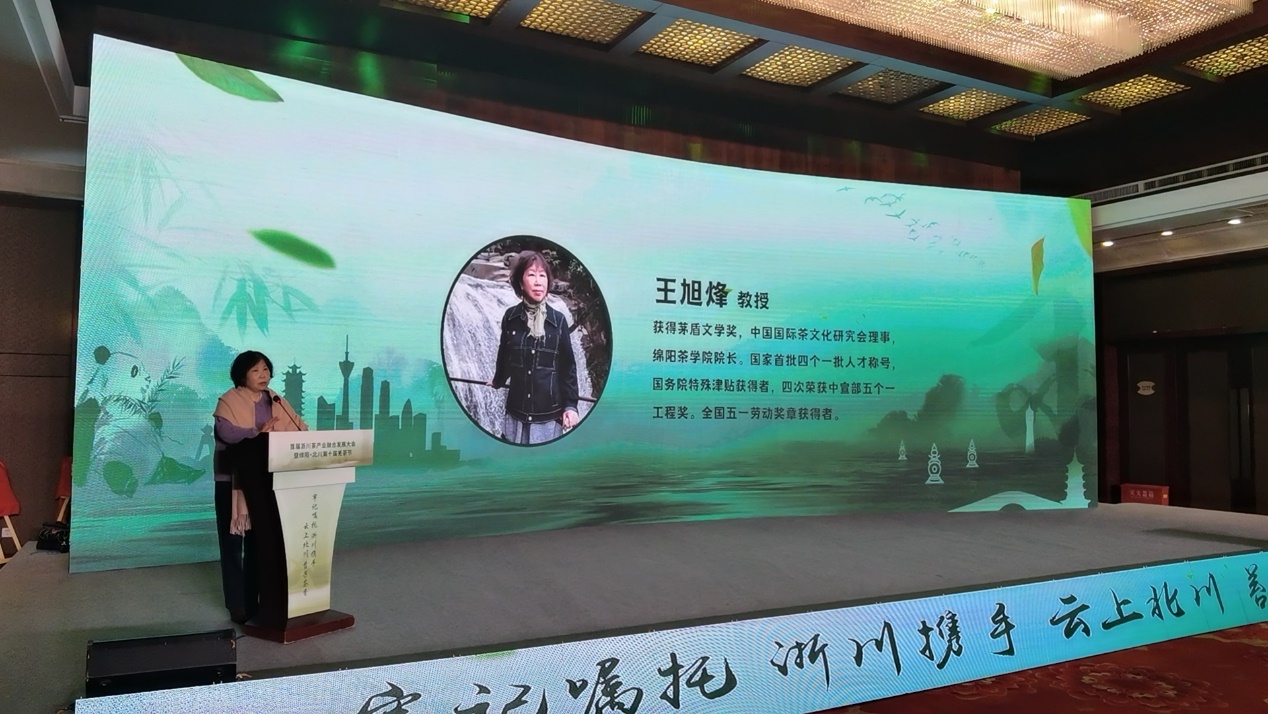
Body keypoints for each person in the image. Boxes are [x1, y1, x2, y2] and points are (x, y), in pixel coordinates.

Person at [212, 350, 306, 623]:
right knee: (232, 545)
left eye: (265, 369)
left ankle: (256, 600)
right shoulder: (229, 400)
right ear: (242, 375)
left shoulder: (274, 399)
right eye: (255, 370)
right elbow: (225, 433)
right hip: (232, 481)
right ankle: (237, 604)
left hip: (267, 480)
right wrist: (257, 433)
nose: (263, 375)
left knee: (259, 543)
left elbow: (298, 427)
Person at [488, 251, 580, 445]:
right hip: (516, 413)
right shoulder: (510, 318)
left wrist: (571, 406)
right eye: (531, 275)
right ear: (521, 283)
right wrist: (498, 380)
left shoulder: (558, 321)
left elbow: (568, 368)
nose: (538, 282)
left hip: (548, 417)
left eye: (542, 275)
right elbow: (504, 355)